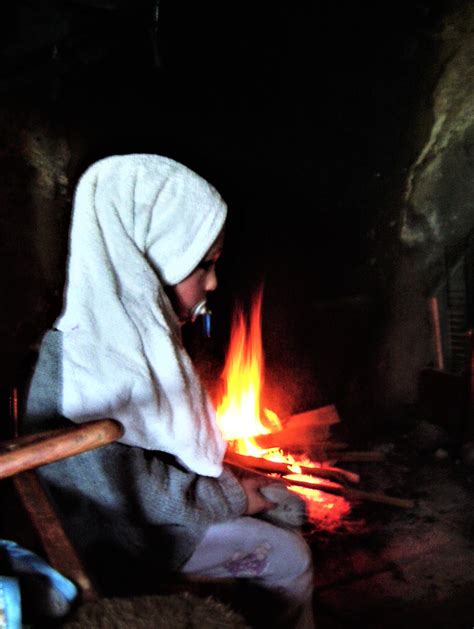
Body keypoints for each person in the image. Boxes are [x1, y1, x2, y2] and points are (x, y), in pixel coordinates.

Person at [23, 154, 315, 628]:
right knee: (290, 554)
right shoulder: (89, 368)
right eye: (203, 266)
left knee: (286, 507)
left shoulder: (118, 338)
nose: (214, 281)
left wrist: (233, 489)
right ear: (151, 257)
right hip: (123, 542)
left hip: (144, 522)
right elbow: (145, 498)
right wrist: (237, 498)